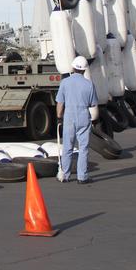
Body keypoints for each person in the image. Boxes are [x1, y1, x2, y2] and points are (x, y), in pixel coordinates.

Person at [56, 55, 99, 185]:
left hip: (69, 115)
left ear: (73, 68)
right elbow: (92, 104)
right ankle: (82, 176)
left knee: (67, 147)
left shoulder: (65, 83)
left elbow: (60, 103)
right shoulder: (89, 84)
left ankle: (65, 175)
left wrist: (59, 117)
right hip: (83, 116)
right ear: (85, 70)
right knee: (83, 148)